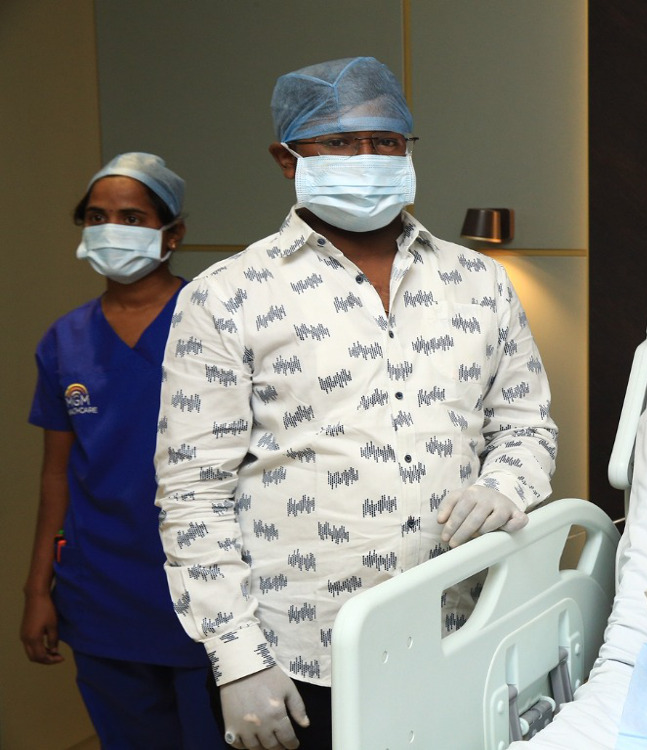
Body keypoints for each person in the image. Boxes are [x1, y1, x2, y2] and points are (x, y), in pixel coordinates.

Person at [154, 56, 557, 750]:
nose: (367, 158)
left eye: (386, 141)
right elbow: (194, 492)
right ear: (287, 158)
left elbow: (526, 427)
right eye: (339, 142)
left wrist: (507, 484)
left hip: (461, 630)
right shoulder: (226, 296)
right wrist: (238, 658)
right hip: (302, 656)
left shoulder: (480, 283)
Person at [22, 153, 224, 748]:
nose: (111, 229)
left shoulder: (214, 322)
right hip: (100, 591)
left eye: (132, 217)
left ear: (173, 234)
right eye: (97, 216)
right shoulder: (65, 340)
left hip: (204, 587)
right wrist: (37, 590)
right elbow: (57, 475)